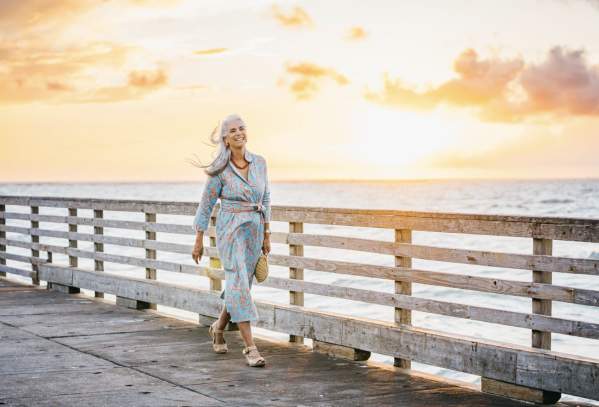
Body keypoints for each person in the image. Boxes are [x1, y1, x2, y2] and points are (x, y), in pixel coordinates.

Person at [190, 113, 271, 367]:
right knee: (237, 282)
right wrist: (199, 238)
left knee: (240, 285)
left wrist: (267, 233)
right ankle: (250, 348)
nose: (239, 133)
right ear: (225, 138)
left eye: (242, 128)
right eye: (233, 130)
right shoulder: (219, 170)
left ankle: (218, 327)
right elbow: (206, 204)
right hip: (230, 230)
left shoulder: (260, 163)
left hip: (254, 231)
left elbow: (266, 198)